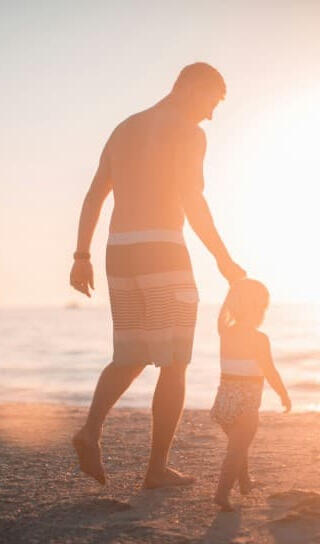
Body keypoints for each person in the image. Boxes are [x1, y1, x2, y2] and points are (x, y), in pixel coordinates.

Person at [69, 62, 245, 488]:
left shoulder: (125, 128)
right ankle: (156, 470)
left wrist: (81, 255)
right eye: (211, 102)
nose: (210, 115)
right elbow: (193, 202)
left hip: (119, 253)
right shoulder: (188, 133)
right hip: (163, 251)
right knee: (175, 361)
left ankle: (90, 430)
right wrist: (223, 258)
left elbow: (95, 193)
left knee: (130, 356)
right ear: (190, 88)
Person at [210, 279, 291, 511]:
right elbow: (270, 371)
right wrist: (283, 394)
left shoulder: (225, 332)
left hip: (224, 402)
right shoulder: (259, 339)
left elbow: (221, 315)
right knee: (237, 449)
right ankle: (222, 493)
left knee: (238, 443)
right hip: (246, 404)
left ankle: (245, 482)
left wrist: (231, 290)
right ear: (257, 310)